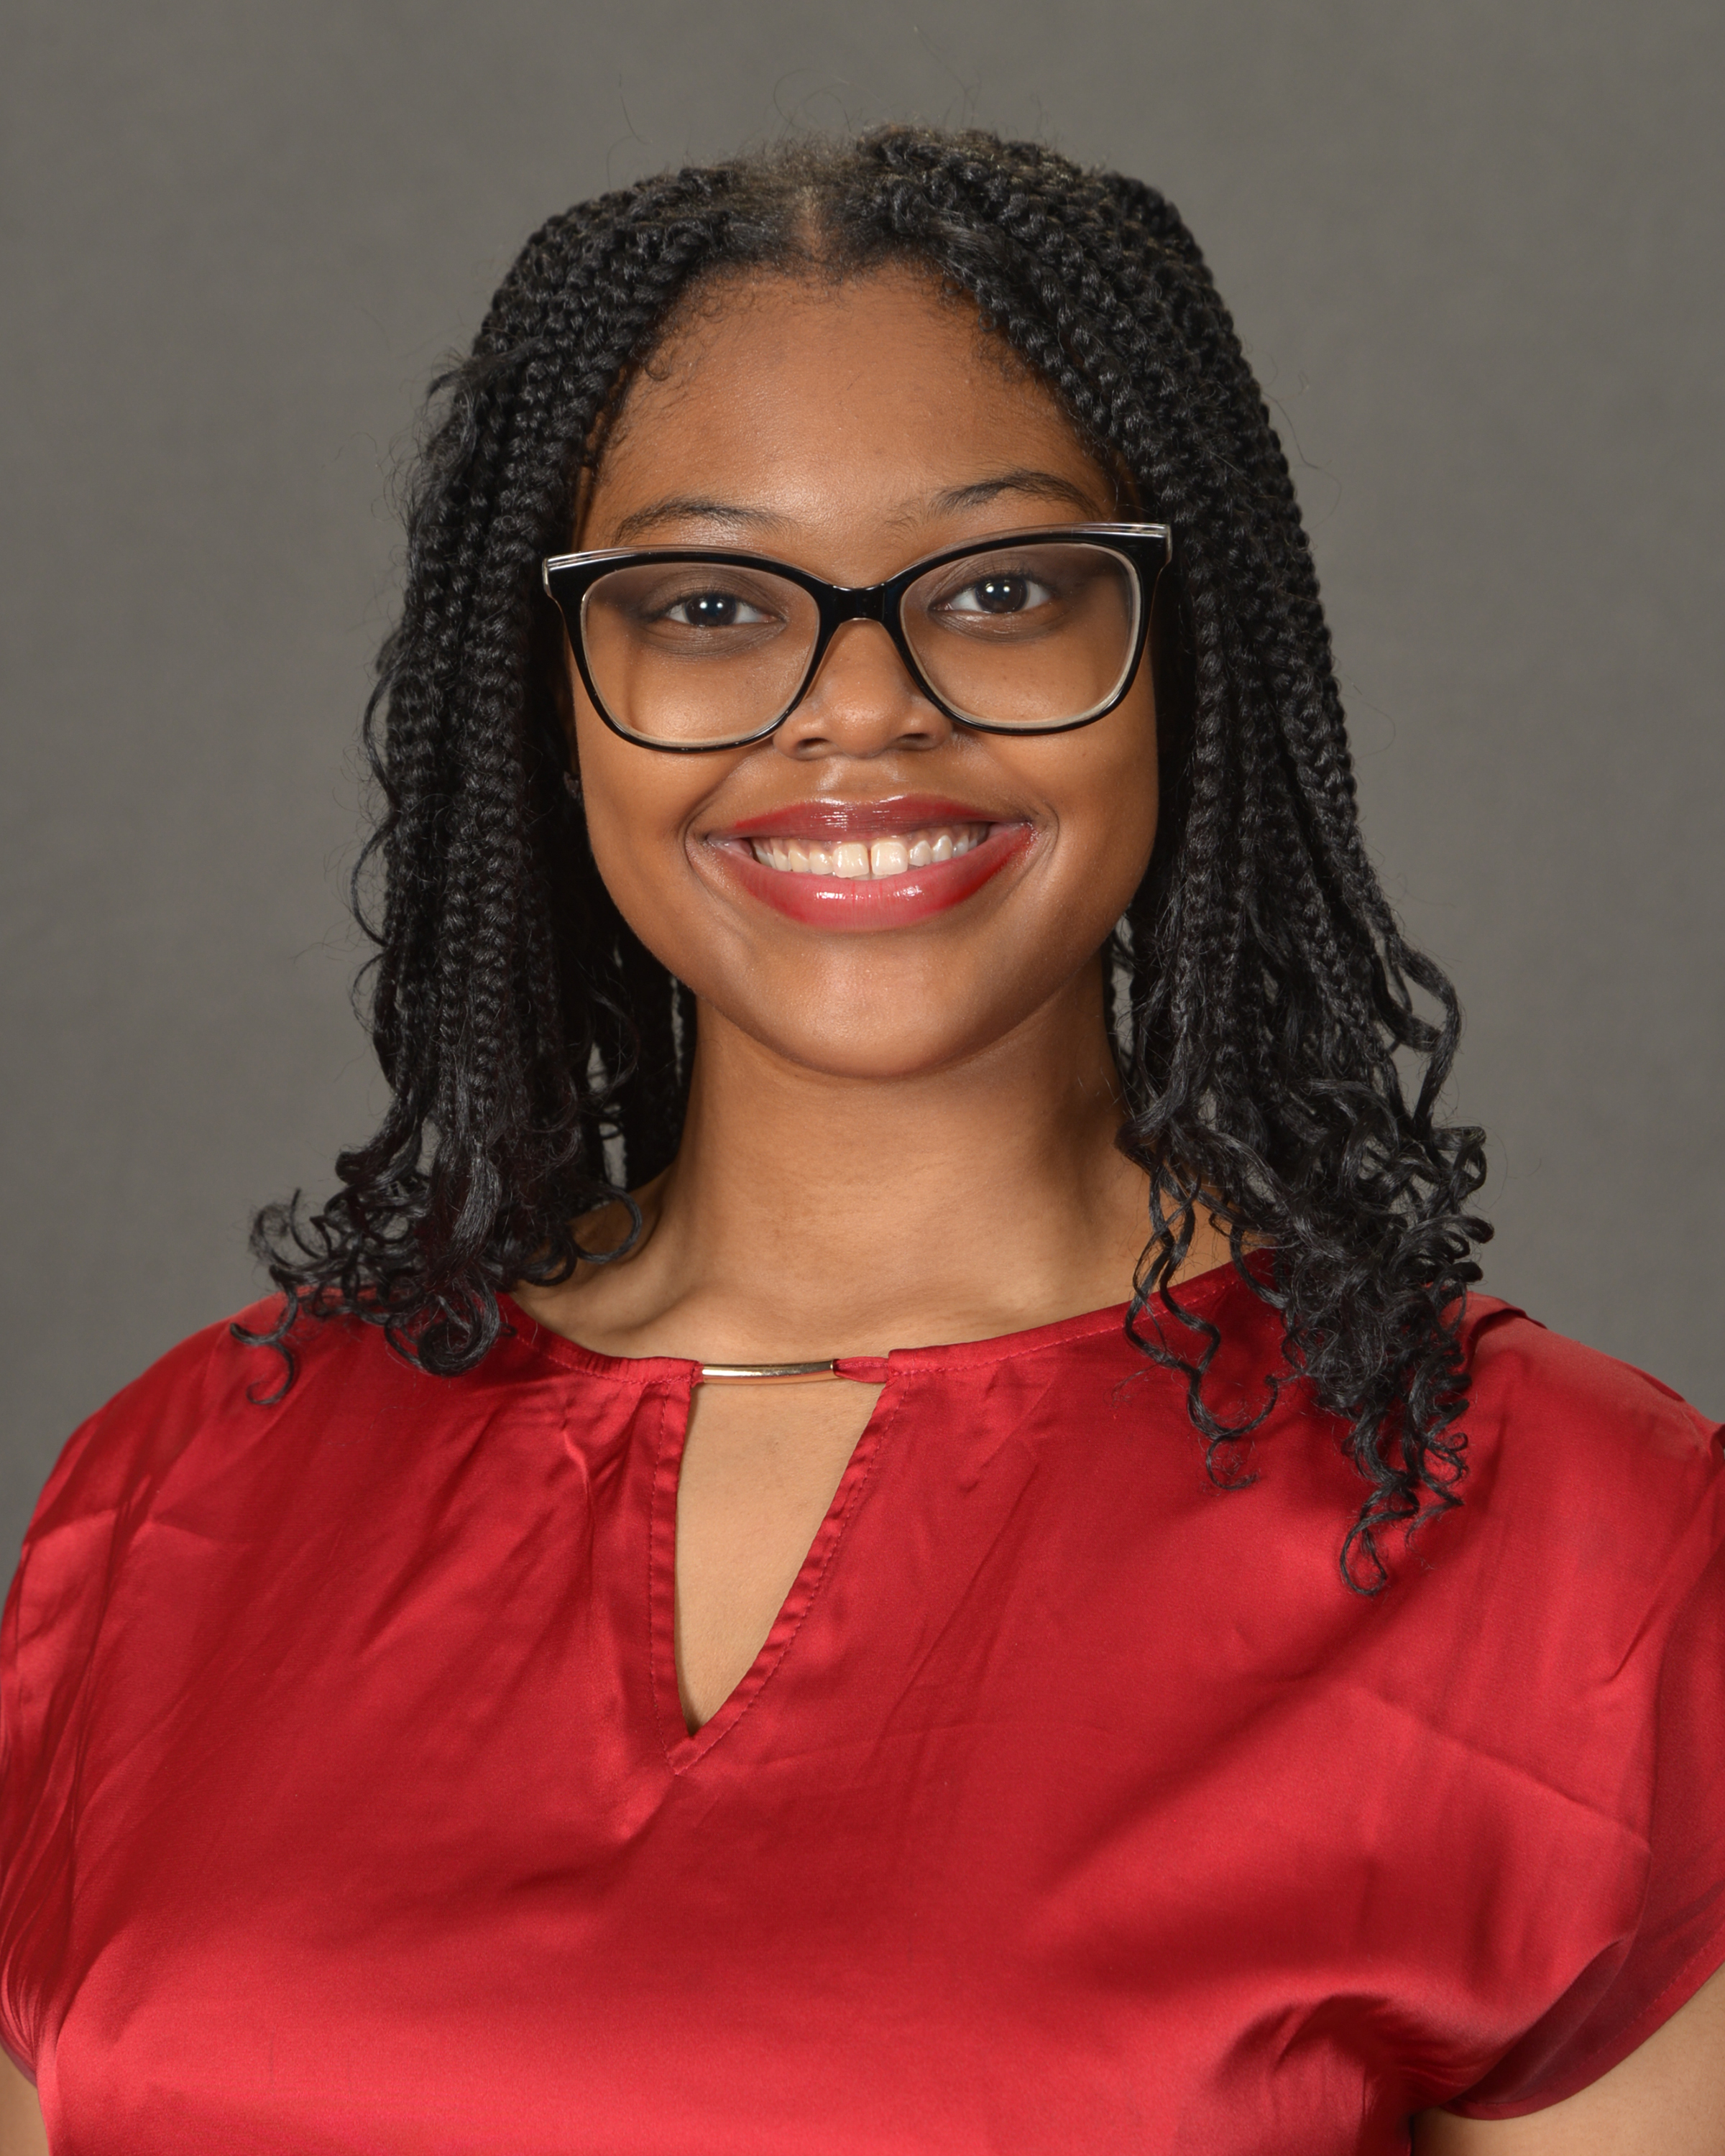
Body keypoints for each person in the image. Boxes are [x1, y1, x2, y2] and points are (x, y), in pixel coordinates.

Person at [1, 126, 1720, 2155]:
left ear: (1178, 654)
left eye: (1001, 588)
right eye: (707, 605)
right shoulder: (183, 1500)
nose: (861, 710)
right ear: (548, 698)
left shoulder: (1566, 1551)